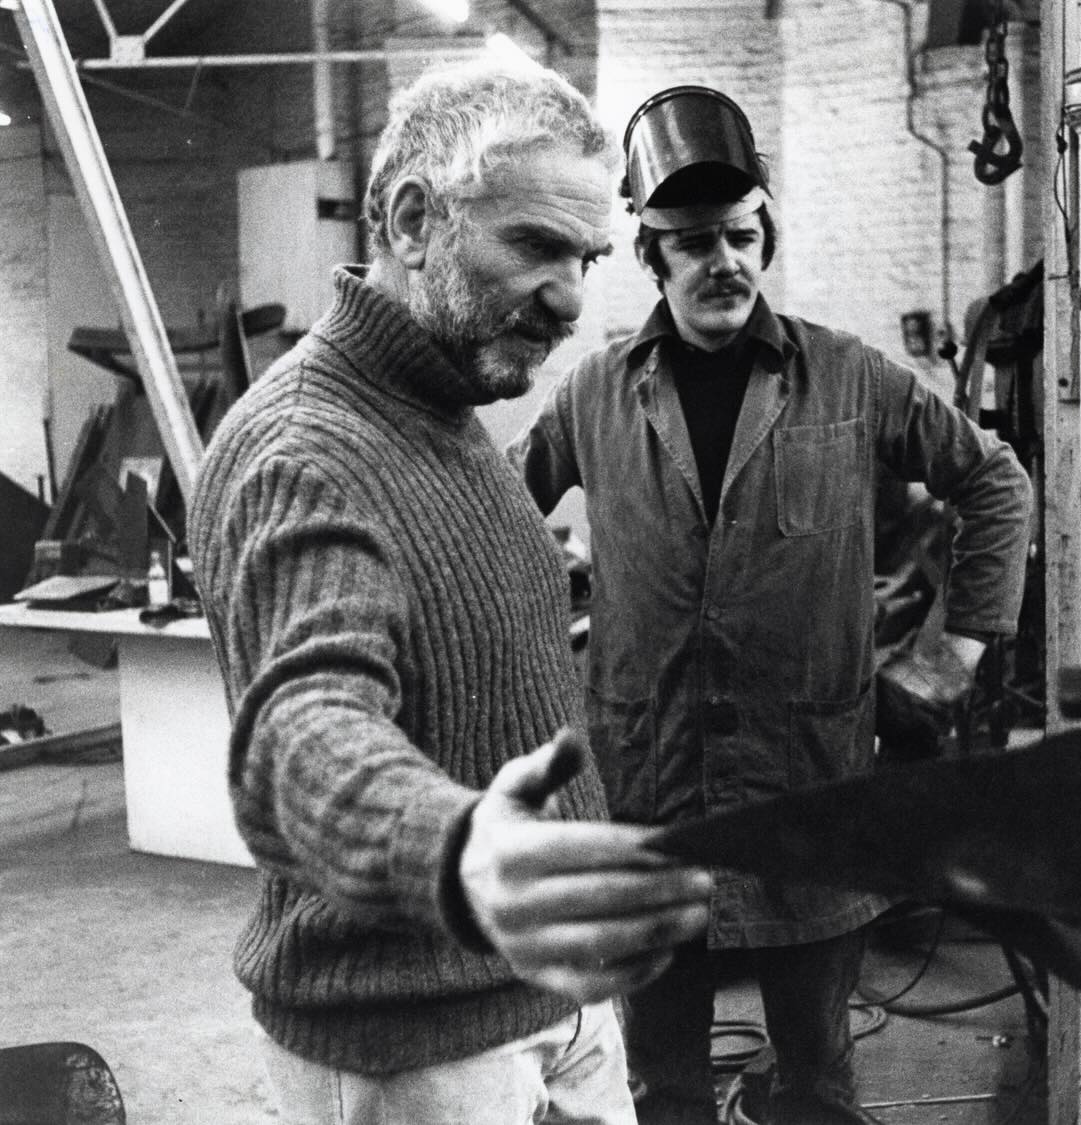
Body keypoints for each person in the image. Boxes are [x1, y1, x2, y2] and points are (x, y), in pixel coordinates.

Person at [187, 54, 714, 1125]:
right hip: (415, 1050)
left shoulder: (442, 416)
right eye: (532, 246)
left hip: (546, 1007)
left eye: (588, 256)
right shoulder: (307, 449)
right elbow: (303, 729)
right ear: (414, 219)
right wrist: (459, 849)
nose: (569, 296)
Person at [508, 86, 1034, 1125]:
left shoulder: (849, 382)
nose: (724, 262)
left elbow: (996, 481)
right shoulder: (593, 395)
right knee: (664, 1089)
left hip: (811, 801)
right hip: (648, 798)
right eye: (693, 242)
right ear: (652, 259)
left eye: (742, 235)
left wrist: (958, 651)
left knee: (819, 1085)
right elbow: (493, 521)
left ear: (767, 238)